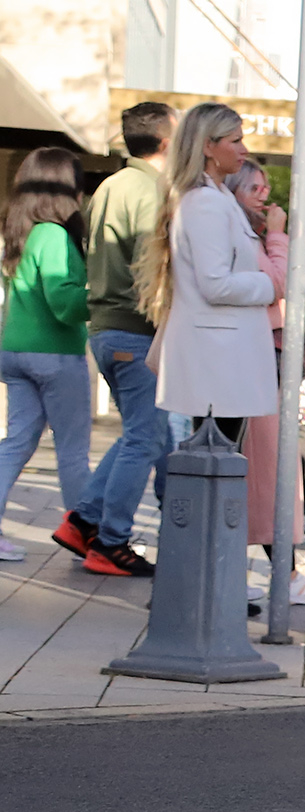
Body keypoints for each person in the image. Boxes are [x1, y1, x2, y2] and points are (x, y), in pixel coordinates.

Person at [58, 102, 175, 577]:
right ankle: (110, 541)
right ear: (167, 139)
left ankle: (84, 519)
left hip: (108, 327)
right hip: (136, 329)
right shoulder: (149, 191)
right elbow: (155, 270)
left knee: (139, 436)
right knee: (145, 439)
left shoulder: (110, 185)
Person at [147, 103, 280, 448]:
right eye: (234, 140)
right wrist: (270, 285)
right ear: (208, 146)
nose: (244, 149)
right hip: (217, 360)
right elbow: (215, 283)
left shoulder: (215, 198)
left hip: (223, 357)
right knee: (214, 463)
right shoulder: (205, 202)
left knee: (219, 460)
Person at [218, 162, 305, 607]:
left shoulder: (239, 230)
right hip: (253, 359)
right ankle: (280, 574)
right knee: (267, 469)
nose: (263, 193)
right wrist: (278, 233)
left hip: (259, 357)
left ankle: (278, 571)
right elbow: (279, 281)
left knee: (266, 468)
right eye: (253, 186)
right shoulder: (245, 235)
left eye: (265, 186)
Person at [0, 148, 92, 563]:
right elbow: (63, 303)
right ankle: (85, 538)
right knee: (72, 449)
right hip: (55, 355)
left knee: (17, 442)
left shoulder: (21, 232)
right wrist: (101, 296)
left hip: (15, 351)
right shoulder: (54, 235)